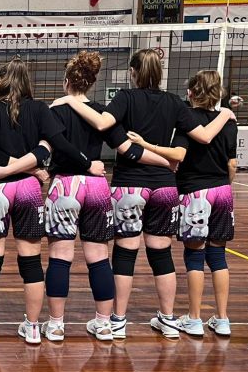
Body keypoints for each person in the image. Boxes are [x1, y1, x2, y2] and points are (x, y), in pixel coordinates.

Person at [53, 48, 236, 340]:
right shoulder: (174, 102)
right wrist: (225, 112)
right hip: (165, 186)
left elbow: (102, 124)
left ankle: (118, 321)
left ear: (133, 73)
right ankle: (168, 320)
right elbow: (203, 136)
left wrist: (69, 100)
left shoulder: (125, 98)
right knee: (161, 254)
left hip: (130, 184)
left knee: (125, 255)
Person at [0, 58, 102, 346]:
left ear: (1, 81)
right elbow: (52, 147)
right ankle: (33, 327)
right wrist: (83, 164)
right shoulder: (40, 109)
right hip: (29, 189)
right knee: (31, 262)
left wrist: (3, 170)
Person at [42, 51, 173, 342]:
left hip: (66, 186)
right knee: (99, 258)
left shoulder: (55, 110)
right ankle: (103, 324)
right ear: (91, 83)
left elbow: (50, 147)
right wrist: (165, 162)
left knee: (60, 257)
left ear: (66, 82)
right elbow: (129, 150)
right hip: (97, 188)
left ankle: (56, 325)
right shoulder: (102, 113)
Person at [129, 70, 237, 338]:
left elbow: (177, 155)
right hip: (223, 190)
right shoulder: (228, 122)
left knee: (195, 256)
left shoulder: (186, 119)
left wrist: (145, 144)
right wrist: (224, 183)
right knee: (218, 256)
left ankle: (195, 319)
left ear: (190, 92)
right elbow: (232, 164)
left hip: (195, 192)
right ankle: (223, 319)